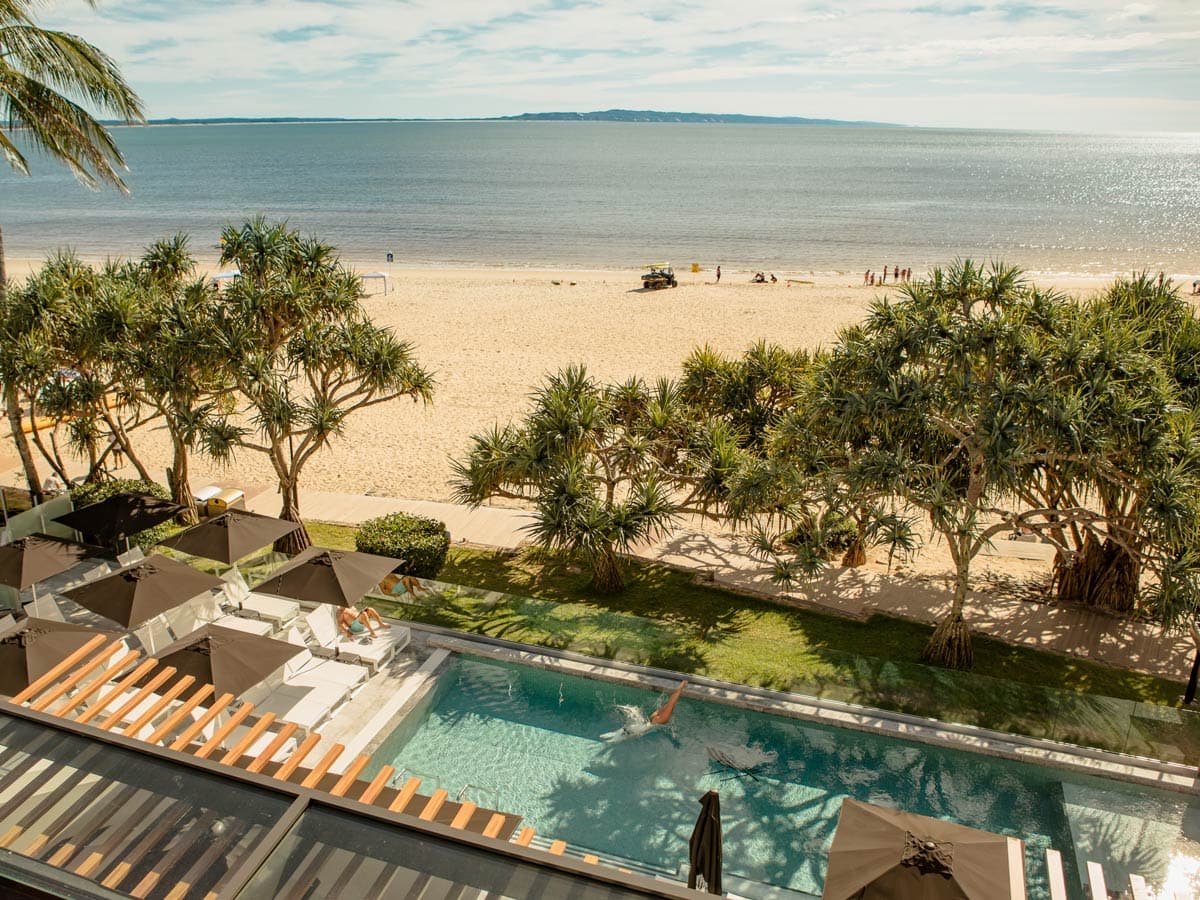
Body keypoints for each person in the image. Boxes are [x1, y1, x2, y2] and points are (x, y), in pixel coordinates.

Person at [601, 680, 688, 741]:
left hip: (648, 721)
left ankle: (614, 734)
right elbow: (673, 700)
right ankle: (614, 738)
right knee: (628, 734)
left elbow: (672, 701)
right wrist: (682, 686)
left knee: (632, 728)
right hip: (649, 725)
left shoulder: (664, 713)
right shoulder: (665, 717)